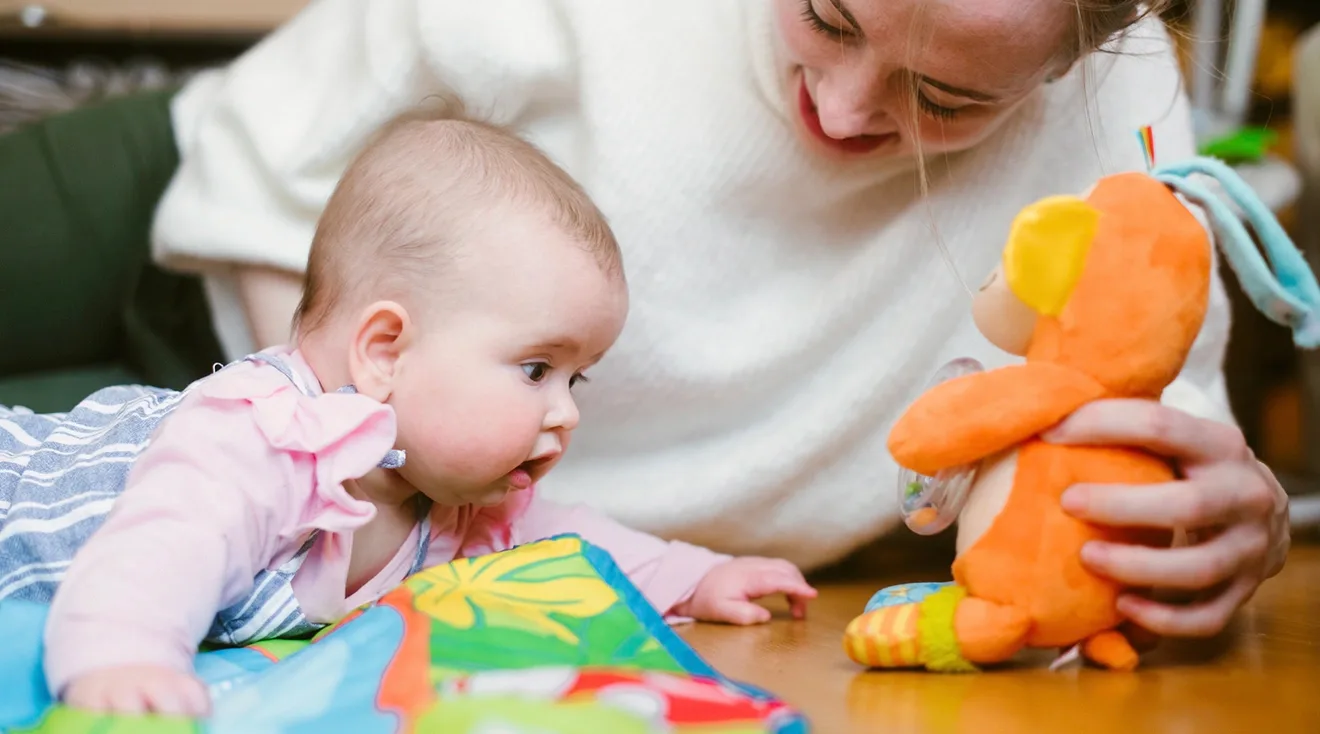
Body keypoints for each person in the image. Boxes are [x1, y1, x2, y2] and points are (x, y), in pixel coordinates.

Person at [0, 0, 1289, 644]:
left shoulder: (1123, 127)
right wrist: (349, 402)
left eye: (944, 98)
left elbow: (1155, 434)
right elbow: (314, 119)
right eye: (828, 15)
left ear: (1074, 64)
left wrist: (1207, 529)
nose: (840, 109)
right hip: (195, 224)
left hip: (385, 516)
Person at [2, 115, 816, 717]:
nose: (563, 413)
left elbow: (571, 541)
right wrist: (123, 657)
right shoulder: (262, 438)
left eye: (578, 380)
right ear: (385, 351)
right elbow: (165, 544)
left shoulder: (453, 501)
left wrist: (697, 575)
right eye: (537, 369)